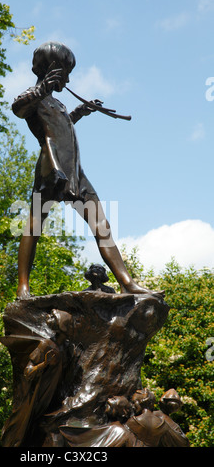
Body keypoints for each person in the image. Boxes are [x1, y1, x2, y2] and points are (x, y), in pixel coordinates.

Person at [12, 41, 159, 299]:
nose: (68, 78)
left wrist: (80, 111)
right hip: (51, 167)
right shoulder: (35, 97)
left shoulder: (57, 104)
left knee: (102, 225)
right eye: (65, 71)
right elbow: (18, 108)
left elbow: (63, 126)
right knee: (34, 225)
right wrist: (41, 89)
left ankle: (126, 282)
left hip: (75, 172)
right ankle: (22, 286)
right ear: (51, 69)